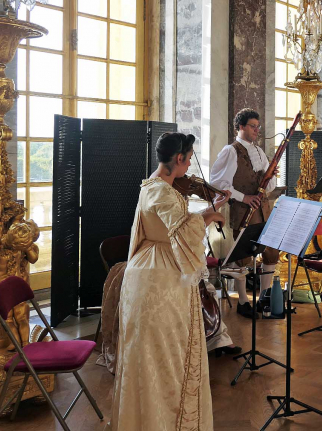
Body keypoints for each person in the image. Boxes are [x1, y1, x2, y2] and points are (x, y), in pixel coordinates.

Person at [108, 132, 228, 431]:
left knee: (150, 356)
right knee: (166, 358)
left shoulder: (153, 184)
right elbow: (183, 231)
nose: (190, 167)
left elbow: (173, 220)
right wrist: (210, 215)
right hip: (159, 280)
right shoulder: (161, 192)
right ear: (178, 159)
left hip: (146, 272)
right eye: (188, 160)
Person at [211, 108, 278, 318]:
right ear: (240, 127)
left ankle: (264, 296)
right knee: (243, 257)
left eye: (258, 127)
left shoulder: (259, 152)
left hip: (264, 210)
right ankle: (242, 301)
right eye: (252, 126)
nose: (257, 130)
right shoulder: (230, 151)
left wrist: (271, 176)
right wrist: (244, 197)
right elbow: (219, 183)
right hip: (242, 210)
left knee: (271, 253)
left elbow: (269, 187)